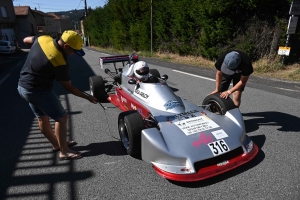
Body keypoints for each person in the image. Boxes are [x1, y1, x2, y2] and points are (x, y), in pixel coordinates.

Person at [17, 30, 98, 160]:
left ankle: (57, 145)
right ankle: (64, 151)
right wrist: (87, 97)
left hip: (23, 87)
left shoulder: (43, 39)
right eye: (74, 51)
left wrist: (35, 55)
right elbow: (68, 87)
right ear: (66, 46)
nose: (73, 55)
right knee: (61, 117)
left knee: (42, 117)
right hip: (38, 90)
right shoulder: (59, 61)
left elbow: (26, 39)